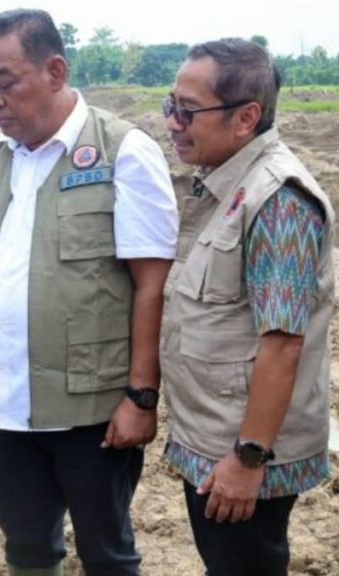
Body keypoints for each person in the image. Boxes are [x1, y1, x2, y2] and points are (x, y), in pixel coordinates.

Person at [0, 9, 179, 576]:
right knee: (26, 547)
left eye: (6, 83)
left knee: (107, 552)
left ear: (55, 70)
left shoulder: (122, 151)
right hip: (9, 404)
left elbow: (153, 283)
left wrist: (141, 397)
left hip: (93, 414)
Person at [160, 38, 334, 576]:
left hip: (243, 458)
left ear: (246, 118)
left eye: (186, 111)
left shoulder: (278, 199)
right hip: (214, 439)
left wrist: (247, 458)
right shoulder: (224, 186)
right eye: (170, 106)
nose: (172, 122)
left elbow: (282, 344)